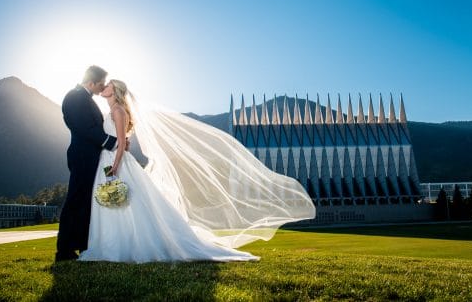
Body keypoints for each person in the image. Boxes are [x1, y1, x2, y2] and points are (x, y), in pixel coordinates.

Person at [78, 79, 316, 263]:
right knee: (122, 204)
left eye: (108, 85)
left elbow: (121, 141)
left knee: (128, 203)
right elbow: (124, 140)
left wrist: (115, 168)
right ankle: (116, 245)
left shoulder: (118, 110)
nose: (104, 87)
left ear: (116, 90)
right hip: (108, 159)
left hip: (115, 161)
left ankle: (126, 246)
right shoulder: (113, 111)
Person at [55, 66, 118, 262]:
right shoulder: (74, 97)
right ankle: (64, 250)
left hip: (91, 157)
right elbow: (85, 127)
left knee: (85, 202)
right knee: (76, 200)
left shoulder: (85, 98)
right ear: (91, 82)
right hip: (82, 157)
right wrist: (113, 142)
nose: (102, 88)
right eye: (101, 84)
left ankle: (82, 245)